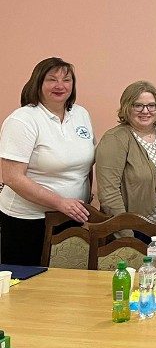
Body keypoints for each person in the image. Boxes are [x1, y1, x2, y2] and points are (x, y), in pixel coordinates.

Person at [0, 57, 94, 266]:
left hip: (70, 217)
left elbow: (86, 163)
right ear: (38, 83)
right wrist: (60, 202)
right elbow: (12, 177)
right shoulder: (23, 119)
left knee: (63, 280)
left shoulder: (81, 114)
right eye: (52, 79)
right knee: (26, 281)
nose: (60, 85)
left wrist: (84, 200)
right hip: (28, 221)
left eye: (66, 80)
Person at [95, 81, 156, 270]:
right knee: (135, 279)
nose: (145, 111)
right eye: (138, 105)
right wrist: (126, 233)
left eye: (151, 105)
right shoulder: (115, 139)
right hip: (134, 229)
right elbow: (109, 193)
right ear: (127, 107)